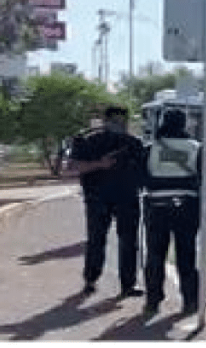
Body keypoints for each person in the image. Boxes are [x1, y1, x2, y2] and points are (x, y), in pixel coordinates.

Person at [141, 108, 206, 316]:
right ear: (183, 124)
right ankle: (191, 300)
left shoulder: (151, 148)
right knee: (186, 255)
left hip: (156, 207)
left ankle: (153, 302)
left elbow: (141, 177)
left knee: (155, 256)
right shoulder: (196, 148)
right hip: (187, 207)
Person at [70, 105, 145, 298]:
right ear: (106, 121)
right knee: (96, 240)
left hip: (126, 198)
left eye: (122, 121)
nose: (119, 124)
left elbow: (143, 170)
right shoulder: (88, 140)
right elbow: (73, 167)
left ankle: (128, 284)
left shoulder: (134, 143)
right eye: (115, 121)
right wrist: (99, 164)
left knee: (128, 242)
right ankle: (91, 279)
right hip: (98, 198)